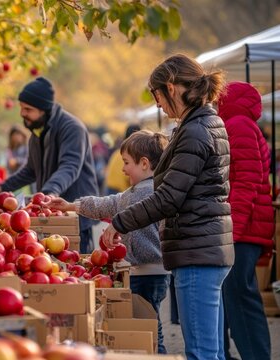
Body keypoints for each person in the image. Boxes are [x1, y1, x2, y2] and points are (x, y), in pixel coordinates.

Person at [101, 54, 233, 360]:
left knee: (201, 353)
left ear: (171, 88)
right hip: (207, 246)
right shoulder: (206, 122)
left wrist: (120, 222)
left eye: (158, 96)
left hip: (197, 249)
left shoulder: (195, 130)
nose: (159, 105)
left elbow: (170, 197)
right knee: (211, 351)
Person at [45, 130, 170, 353]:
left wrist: (73, 206)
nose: (122, 169)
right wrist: (71, 206)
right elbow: (110, 203)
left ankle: (157, 356)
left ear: (144, 164)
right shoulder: (152, 190)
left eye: (126, 163)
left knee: (150, 328)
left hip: (145, 273)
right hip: (157, 272)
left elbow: (109, 204)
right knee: (152, 323)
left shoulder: (140, 195)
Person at [0, 77, 99, 253]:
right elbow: (30, 170)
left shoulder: (72, 128)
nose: (22, 113)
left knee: (76, 265)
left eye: (28, 109)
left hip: (74, 216)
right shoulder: (38, 132)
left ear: (44, 109)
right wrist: (2, 187)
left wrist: (50, 191)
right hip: (50, 213)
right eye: (21, 108)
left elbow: (70, 166)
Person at [217, 81, 273, 360]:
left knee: (241, 298)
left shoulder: (238, 125)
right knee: (233, 298)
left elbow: (247, 180)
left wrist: (233, 229)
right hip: (244, 227)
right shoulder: (240, 124)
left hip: (244, 229)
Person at [104, 124, 141, 194]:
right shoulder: (131, 154)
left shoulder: (117, 152)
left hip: (109, 187)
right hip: (120, 190)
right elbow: (130, 177)